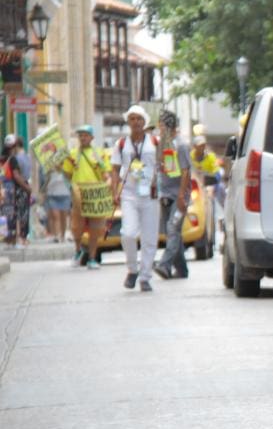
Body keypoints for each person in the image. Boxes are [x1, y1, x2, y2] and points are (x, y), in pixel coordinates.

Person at [110, 105, 161, 292]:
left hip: (150, 194)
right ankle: (132, 269)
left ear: (144, 121)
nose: (136, 122)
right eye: (132, 118)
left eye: (139, 118)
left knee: (149, 237)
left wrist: (159, 179)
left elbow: (166, 164)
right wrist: (114, 191)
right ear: (128, 122)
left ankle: (145, 276)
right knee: (128, 233)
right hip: (129, 194)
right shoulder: (121, 144)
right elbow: (115, 169)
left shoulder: (155, 142)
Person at [61, 124, 112, 269]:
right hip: (79, 194)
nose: (83, 138)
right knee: (77, 226)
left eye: (85, 135)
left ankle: (92, 257)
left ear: (91, 137)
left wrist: (107, 183)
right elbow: (67, 173)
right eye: (80, 135)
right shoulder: (72, 154)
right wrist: (72, 187)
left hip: (95, 194)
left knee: (95, 228)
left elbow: (106, 173)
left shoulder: (99, 153)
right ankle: (78, 250)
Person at [153, 111, 192, 281]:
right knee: (172, 233)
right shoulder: (163, 144)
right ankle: (182, 269)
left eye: (162, 126)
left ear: (171, 126)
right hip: (165, 195)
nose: (160, 129)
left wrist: (182, 196)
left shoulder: (181, 145)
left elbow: (186, 172)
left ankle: (165, 265)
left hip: (179, 196)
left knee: (173, 228)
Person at [2, 134, 34, 247]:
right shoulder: (13, 159)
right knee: (20, 213)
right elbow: (16, 176)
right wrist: (27, 188)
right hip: (15, 188)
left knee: (8, 213)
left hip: (4, 189)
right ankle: (20, 239)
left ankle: (10, 239)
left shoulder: (3, 159)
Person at [43, 164, 72, 243]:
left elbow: (70, 179)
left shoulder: (66, 169)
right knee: (55, 216)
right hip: (52, 195)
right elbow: (46, 182)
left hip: (65, 195)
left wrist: (64, 170)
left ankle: (63, 235)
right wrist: (44, 192)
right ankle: (57, 235)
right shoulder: (50, 169)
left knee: (63, 217)